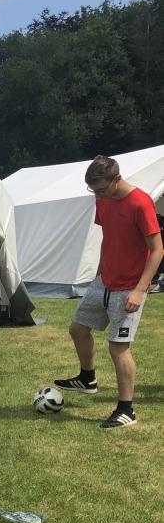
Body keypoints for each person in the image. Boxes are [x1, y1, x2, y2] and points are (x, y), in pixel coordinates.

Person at [56, 155, 163, 428]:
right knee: (78, 329)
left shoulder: (140, 203)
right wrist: (98, 275)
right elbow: (109, 238)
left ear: (117, 179)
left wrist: (140, 290)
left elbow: (157, 250)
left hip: (129, 287)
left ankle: (127, 410)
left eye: (101, 189)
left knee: (118, 348)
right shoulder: (102, 199)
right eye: (92, 190)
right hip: (104, 281)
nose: (97, 195)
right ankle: (87, 379)